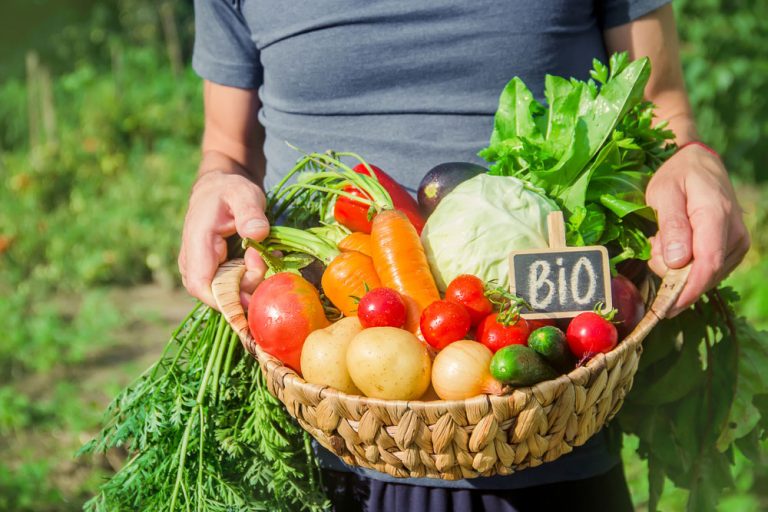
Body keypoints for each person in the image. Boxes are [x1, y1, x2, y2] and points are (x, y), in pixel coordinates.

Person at [179, 1, 750, 510]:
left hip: (549, 423)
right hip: (316, 436)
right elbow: (227, 145)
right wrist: (214, 182)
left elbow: (660, 106)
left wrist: (690, 156)